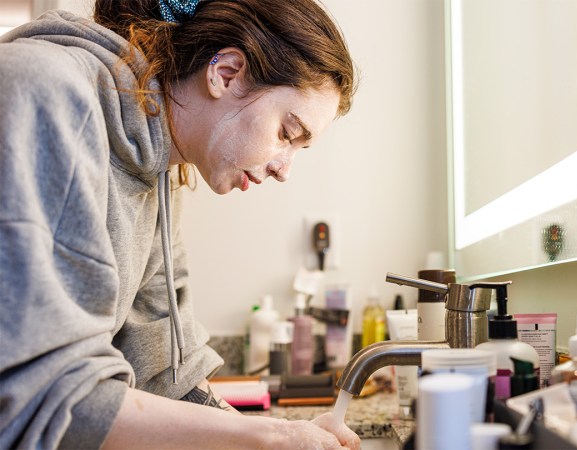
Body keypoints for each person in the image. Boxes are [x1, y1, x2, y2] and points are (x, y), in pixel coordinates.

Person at [0, 0, 359, 448]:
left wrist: (282, 435)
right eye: (288, 133)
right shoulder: (45, 92)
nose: (284, 169)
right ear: (226, 73)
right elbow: (41, 395)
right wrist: (267, 436)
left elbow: (167, 374)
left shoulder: (157, 171)